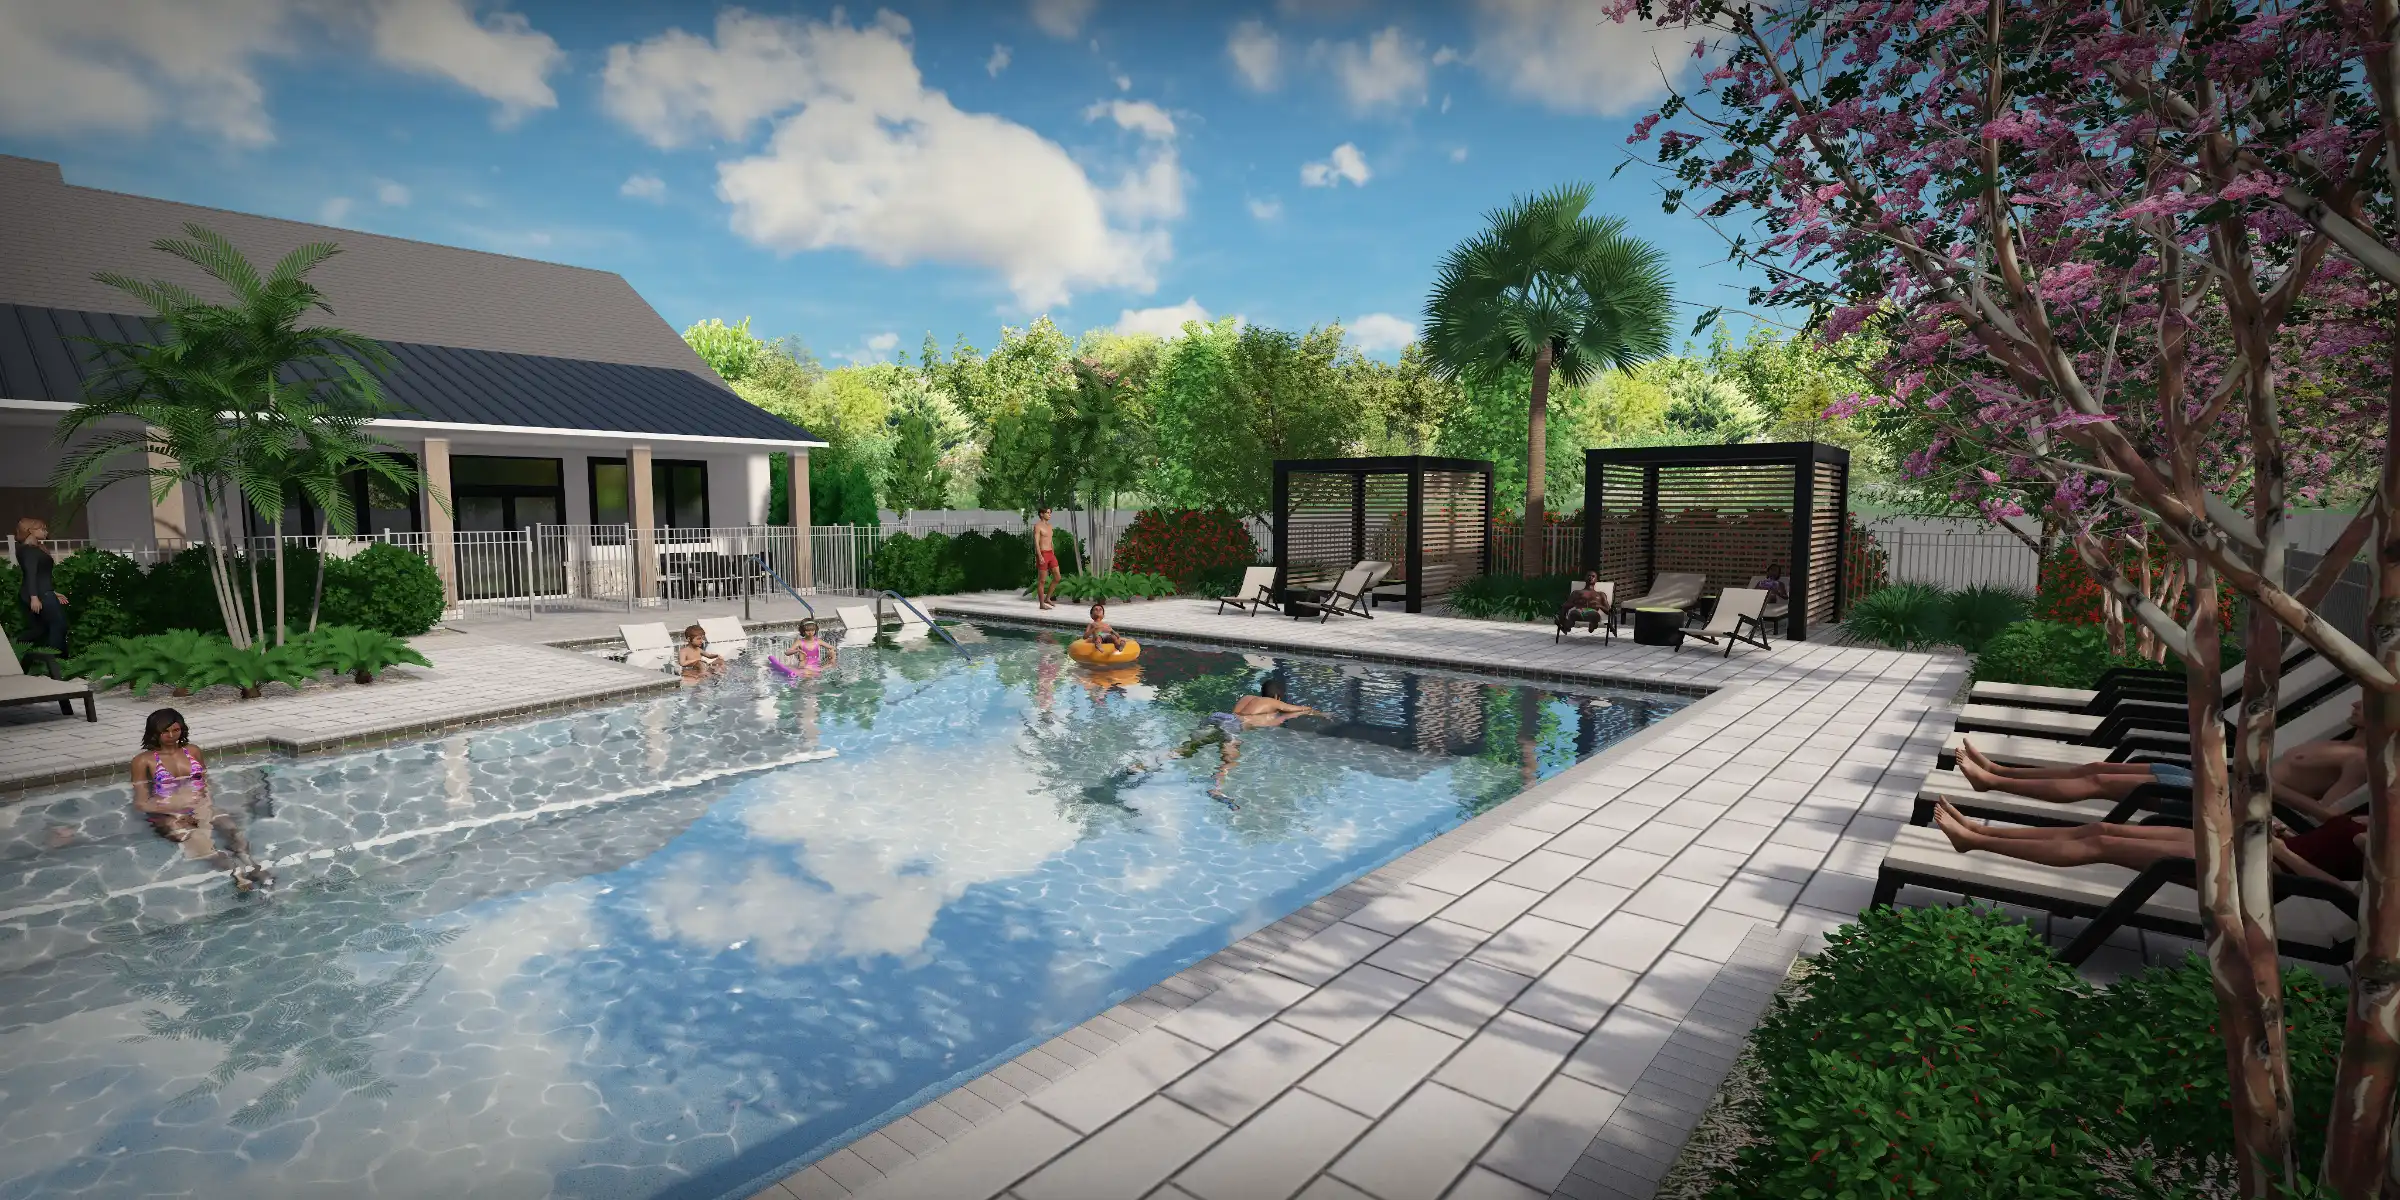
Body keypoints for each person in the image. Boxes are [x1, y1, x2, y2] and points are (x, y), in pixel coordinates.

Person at [1954, 699, 2366, 822]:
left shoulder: (2361, 762)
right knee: (2097, 769)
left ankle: (1994, 783)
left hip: (2226, 803)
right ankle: (1999, 771)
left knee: (2099, 784)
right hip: (2215, 781)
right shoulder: (2342, 743)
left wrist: (2268, 787)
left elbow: (2329, 818)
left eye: (2368, 704)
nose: (2356, 704)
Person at [130, 708, 272, 892]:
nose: (171, 736)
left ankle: (250, 862)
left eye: (176, 730)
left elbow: (205, 781)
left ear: (182, 729)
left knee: (233, 830)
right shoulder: (143, 760)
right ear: (154, 733)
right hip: (168, 812)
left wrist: (207, 803)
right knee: (199, 842)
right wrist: (175, 810)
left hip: (201, 804)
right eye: (165, 731)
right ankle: (235, 872)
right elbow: (141, 803)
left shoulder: (192, 751)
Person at [15, 517, 67, 661]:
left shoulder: (34, 549)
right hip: (39, 594)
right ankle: (58, 661)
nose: (46, 532)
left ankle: (18, 649)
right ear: (30, 530)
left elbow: (40, 575)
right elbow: (31, 573)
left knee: (40, 629)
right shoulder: (28, 550)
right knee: (59, 625)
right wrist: (34, 597)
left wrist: (53, 592)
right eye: (42, 529)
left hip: (42, 592)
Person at [1557, 572, 1608, 636]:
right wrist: (1575, 603)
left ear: (1596, 580)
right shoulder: (1576, 593)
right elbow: (1565, 606)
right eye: (1589, 576)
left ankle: (1592, 625)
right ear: (1585, 578)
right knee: (1573, 614)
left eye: (1593, 576)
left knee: (1594, 616)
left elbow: (1609, 611)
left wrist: (1599, 605)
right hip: (1578, 611)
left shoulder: (1600, 594)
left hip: (1593, 612)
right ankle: (1566, 625)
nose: (1590, 577)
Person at [1033, 508, 1062, 610]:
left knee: (1058, 577)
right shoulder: (1037, 526)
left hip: (1050, 553)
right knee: (1042, 580)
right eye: (1048, 513)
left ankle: (1047, 598)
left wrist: (1053, 553)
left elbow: (1050, 540)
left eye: (1050, 513)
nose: (1050, 515)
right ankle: (1041, 604)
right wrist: (1039, 556)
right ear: (1041, 514)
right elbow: (1036, 542)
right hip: (1043, 554)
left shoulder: (1049, 526)